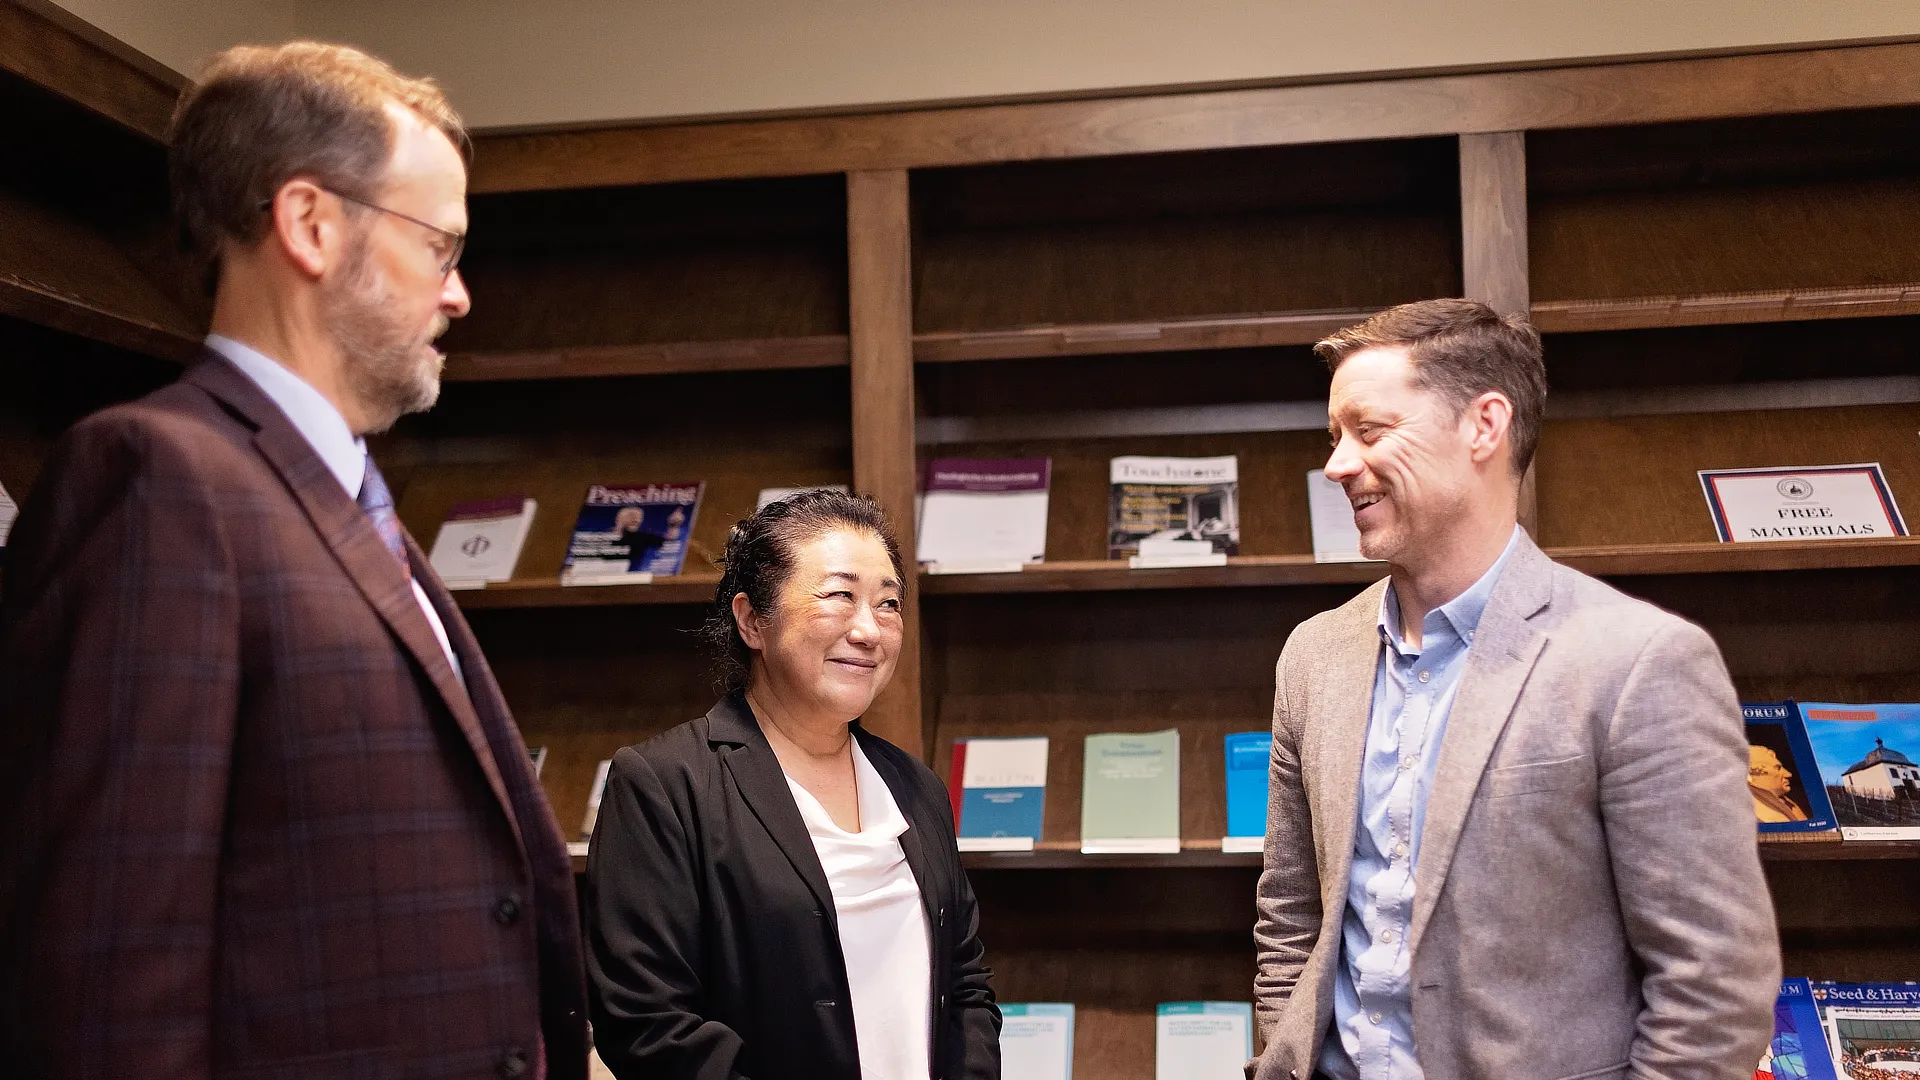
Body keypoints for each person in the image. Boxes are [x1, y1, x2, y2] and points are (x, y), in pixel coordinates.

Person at [0, 42, 584, 1080]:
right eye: (441, 248)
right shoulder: (155, 481)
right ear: (312, 226)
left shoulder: (351, 504)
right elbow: (107, 976)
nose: (459, 297)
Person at [1252, 299, 1778, 1080]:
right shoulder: (1313, 655)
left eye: (1370, 430)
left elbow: (1715, 986)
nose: (1337, 464)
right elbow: (1290, 916)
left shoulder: (1639, 661)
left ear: (1484, 427)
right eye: (1335, 437)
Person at [584, 490, 999, 1080]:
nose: (868, 630)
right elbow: (646, 1021)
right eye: (839, 596)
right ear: (752, 620)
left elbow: (965, 983)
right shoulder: (666, 784)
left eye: (887, 604)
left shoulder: (915, 787)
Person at [1749, 745, 1811, 823]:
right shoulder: (1746, 813)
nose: (1788, 774)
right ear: (1753, 772)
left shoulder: (1788, 803)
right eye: (1777, 768)